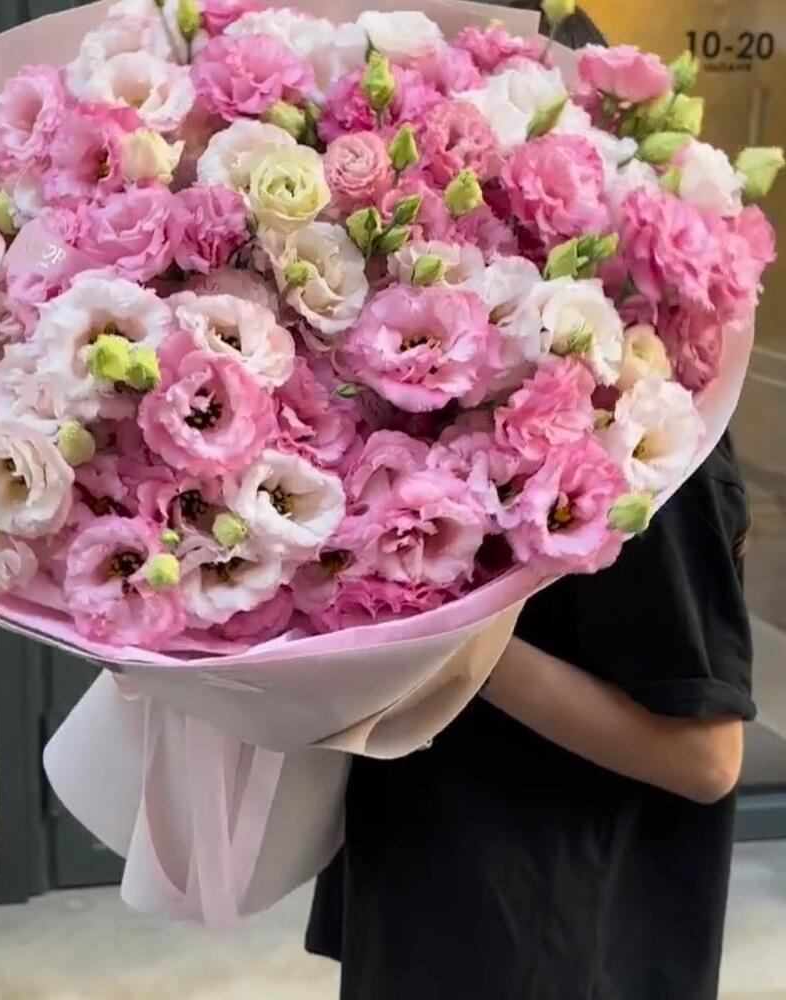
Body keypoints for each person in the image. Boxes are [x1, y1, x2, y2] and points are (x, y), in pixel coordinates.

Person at [305, 6, 757, 999]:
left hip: (560, 943)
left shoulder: (639, 414)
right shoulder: (426, 380)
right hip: (429, 899)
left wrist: (440, 637)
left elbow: (708, 756)